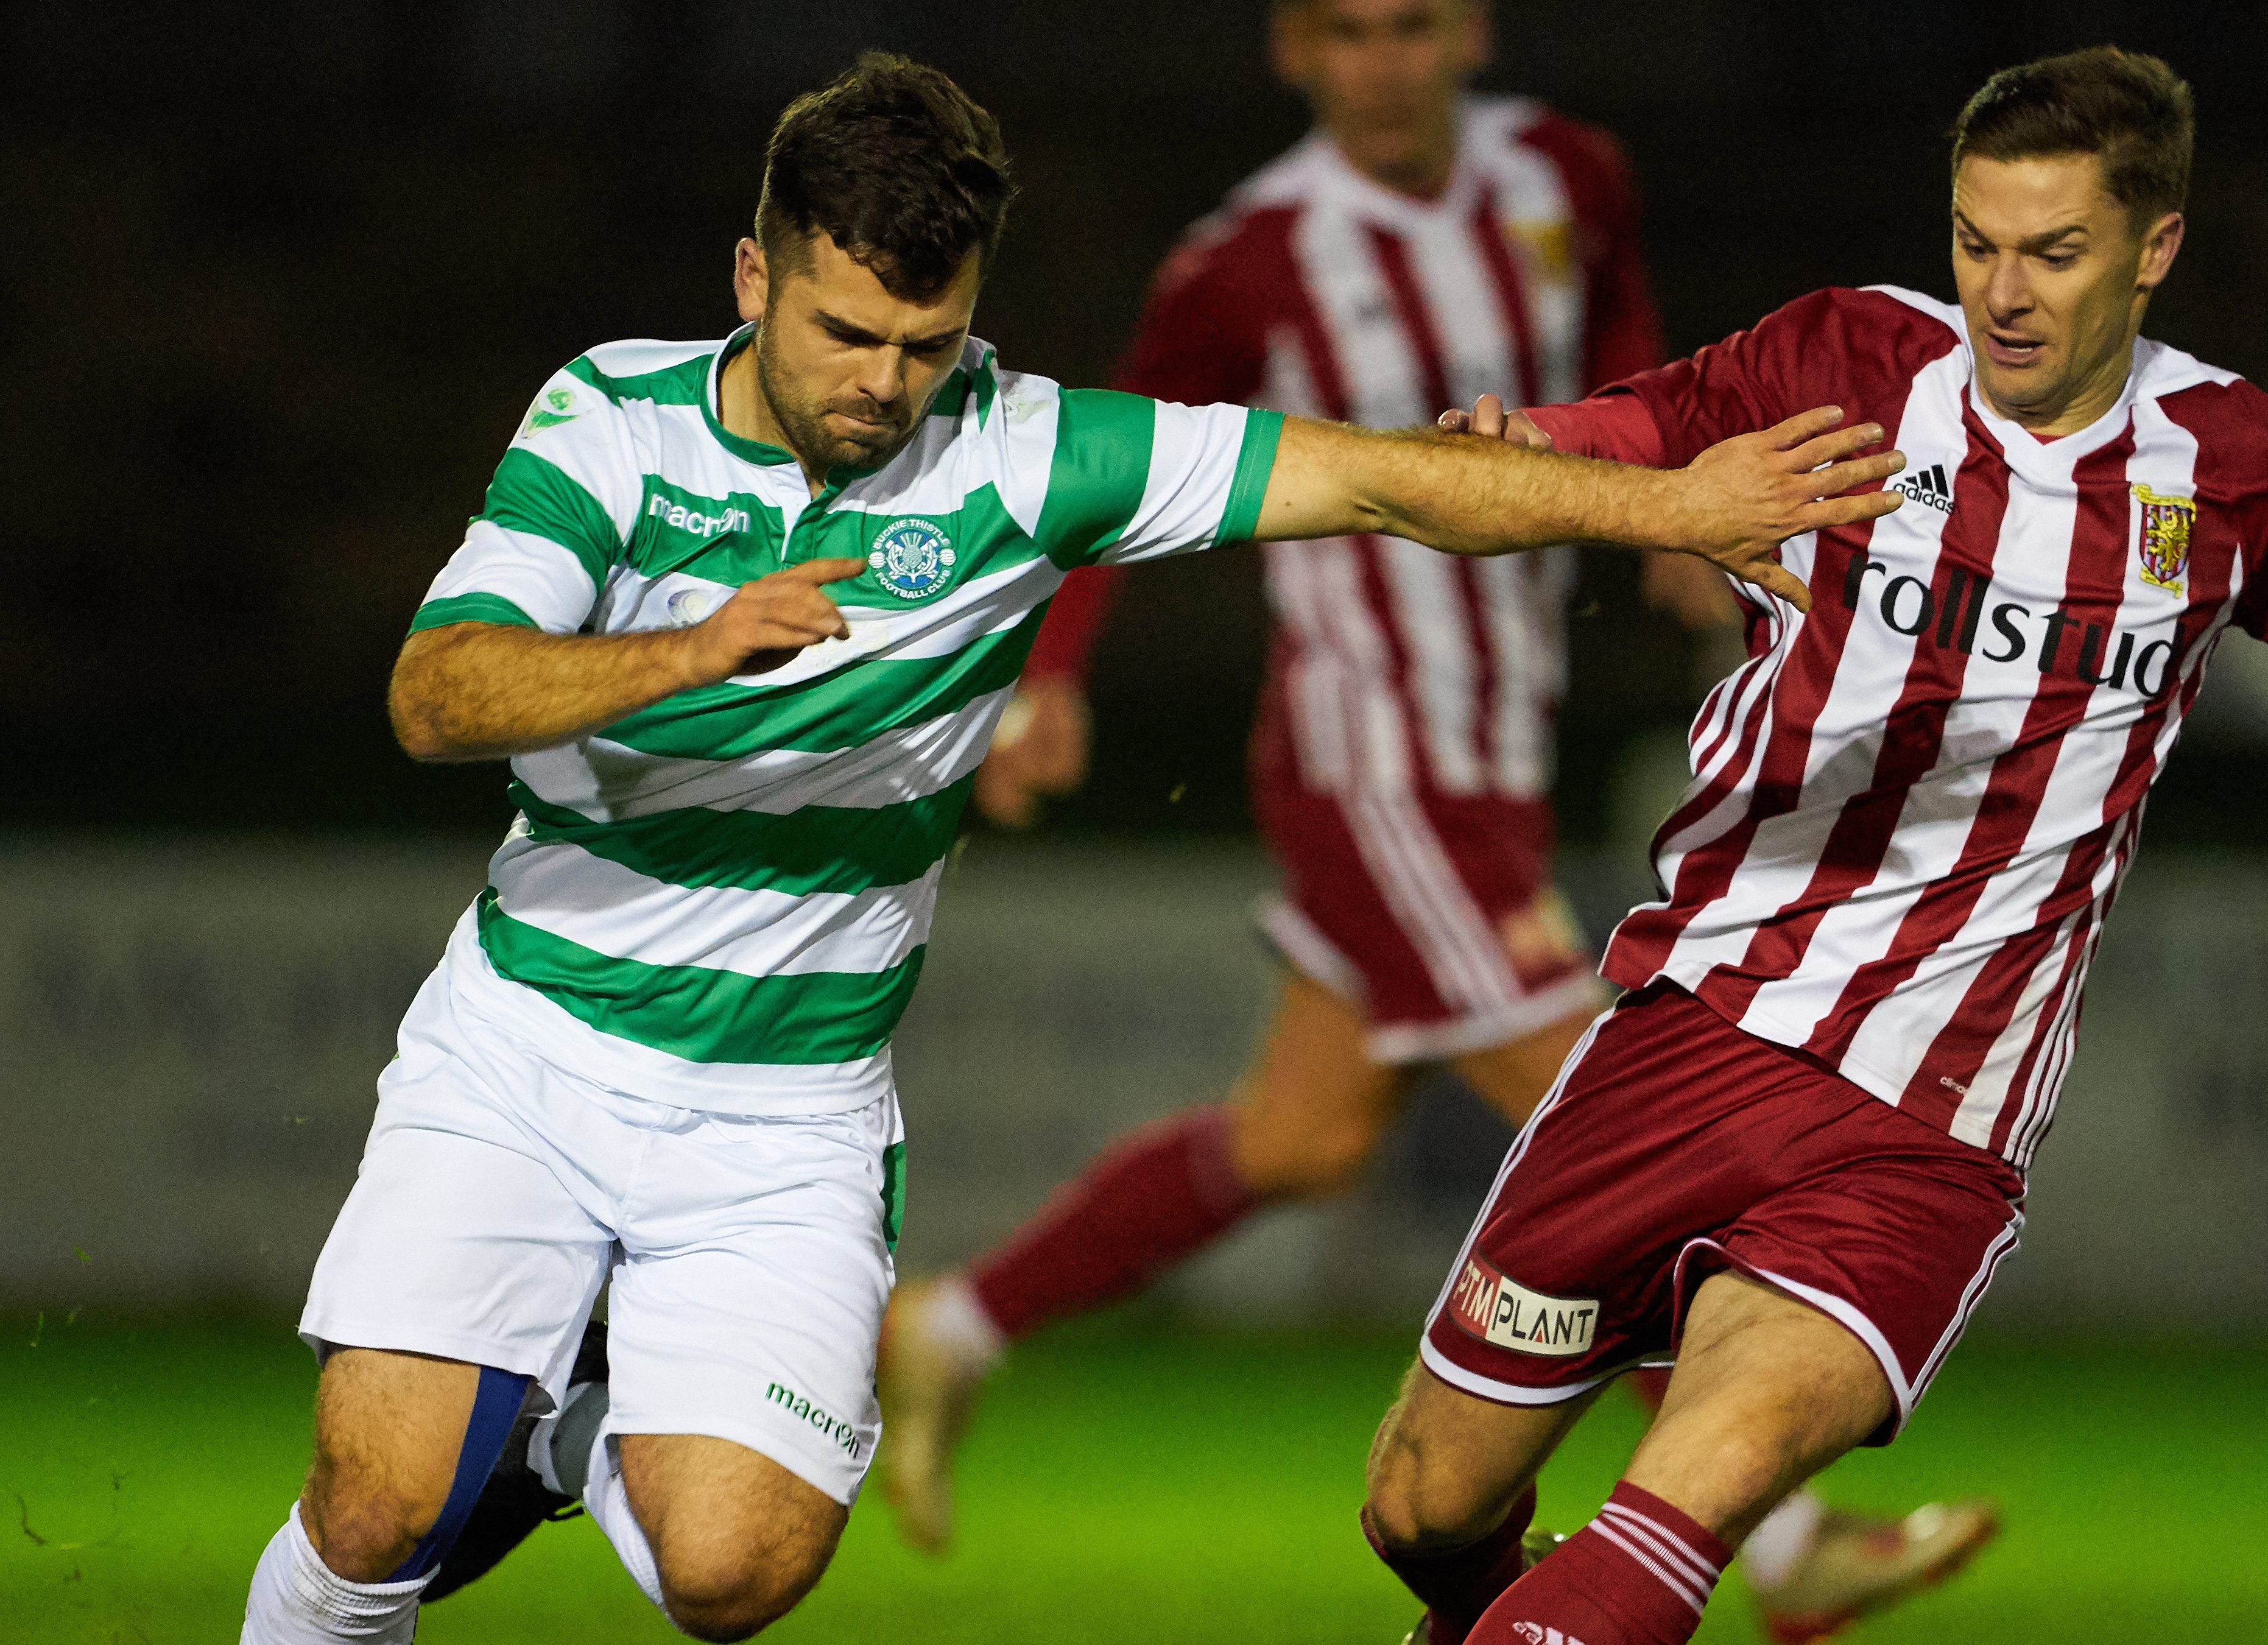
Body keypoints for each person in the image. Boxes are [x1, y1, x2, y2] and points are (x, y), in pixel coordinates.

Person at [236, 49, 1910, 1645]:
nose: (883, 384)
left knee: (732, 1577)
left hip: (783, 1116)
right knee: (375, 1503)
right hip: (531, 1048)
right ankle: (488, 1444)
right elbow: (435, 690)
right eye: (844, 333)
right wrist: (683, 651)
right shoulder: (610, 419)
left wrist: (1674, 502)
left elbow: (1386, 486)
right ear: (750, 277)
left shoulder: (1029, 456)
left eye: (924, 340)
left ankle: (553, 1430)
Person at [878, 3, 1995, 1640]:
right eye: (1347, 31)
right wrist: (1051, 678)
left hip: (1496, 738)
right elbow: (1107, 466)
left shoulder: (1563, 174)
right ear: (1292, 49)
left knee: (1304, 1134)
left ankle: (961, 1326)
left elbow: (1618, 316)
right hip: (1368, 754)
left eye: (1411, 24)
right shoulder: (1252, 255)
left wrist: (1665, 503)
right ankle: (1779, 1538)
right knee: (1601, 1099)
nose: (1383, 62)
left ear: (1464, 28)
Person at [1354, 46, 2268, 1645]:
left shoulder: (2237, 467)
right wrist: (1536, 438)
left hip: (1930, 1120)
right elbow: (1644, 432)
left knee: (1683, 1502)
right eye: (1977, 240)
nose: (2005, 291)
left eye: (2054, 251)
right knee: (1425, 1506)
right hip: (1691, 1029)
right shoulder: (1850, 356)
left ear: (2155, 249)